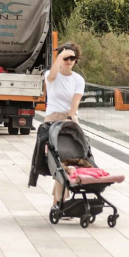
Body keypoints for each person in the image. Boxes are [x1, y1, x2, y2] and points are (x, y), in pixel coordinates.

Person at [41, 42, 85, 205]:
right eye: (66, 58)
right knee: (59, 160)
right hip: (53, 120)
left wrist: (70, 118)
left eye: (72, 58)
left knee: (70, 161)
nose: (69, 61)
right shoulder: (51, 75)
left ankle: (58, 200)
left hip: (69, 121)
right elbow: (52, 76)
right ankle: (58, 200)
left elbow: (75, 101)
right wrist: (60, 55)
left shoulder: (78, 79)